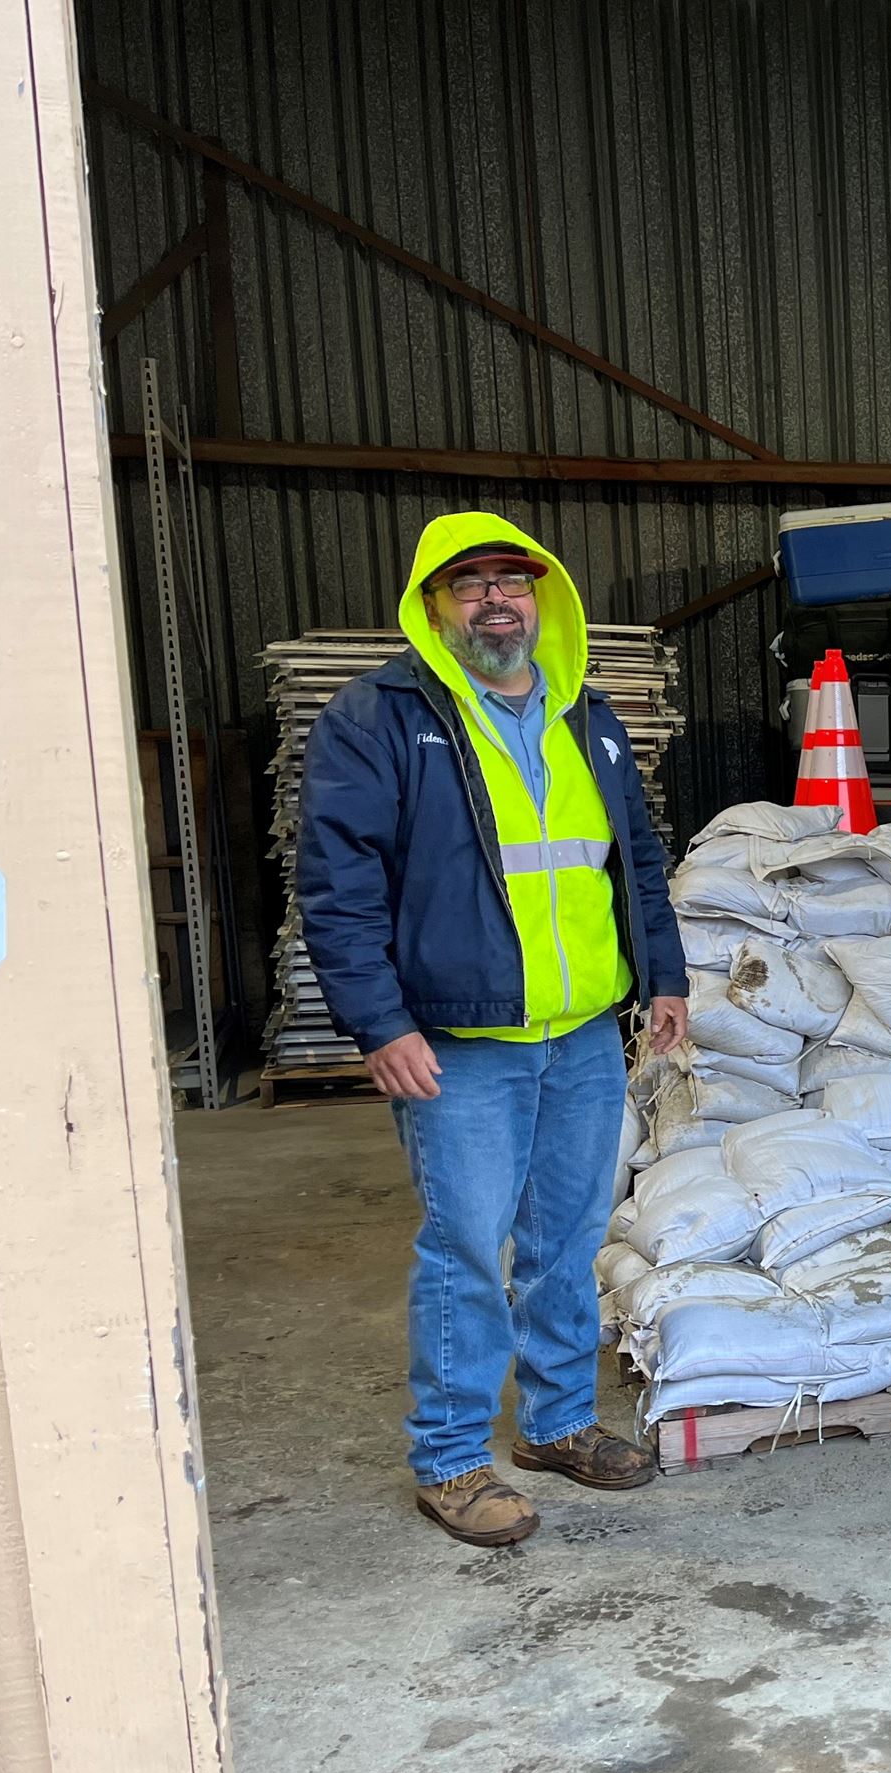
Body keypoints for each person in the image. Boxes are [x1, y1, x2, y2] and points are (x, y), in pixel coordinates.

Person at [298, 514, 688, 1548]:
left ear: (545, 598)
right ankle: (451, 1458)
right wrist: (378, 1022)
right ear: (432, 607)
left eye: (515, 581)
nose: (496, 600)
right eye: (468, 585)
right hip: (460, 1041)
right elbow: (336, 889)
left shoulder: (584, 716)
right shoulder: (379, 717)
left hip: (579, 1035)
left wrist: (664, 977)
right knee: (468, 1248)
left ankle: (555, 1423)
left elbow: (633, 863)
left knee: (563, 1246)